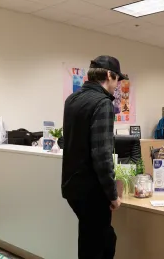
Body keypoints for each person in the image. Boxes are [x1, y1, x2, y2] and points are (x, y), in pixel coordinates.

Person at [62, 55, 127, 259]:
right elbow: (102, 154)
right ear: (109, 75)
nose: (117, 86)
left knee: (98, 239)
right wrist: (112, 195)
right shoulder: (102, 103)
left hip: (72, 187)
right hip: (92, 191)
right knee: (97, 246)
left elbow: (69, 141)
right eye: (117, 80)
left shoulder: (72, 99)